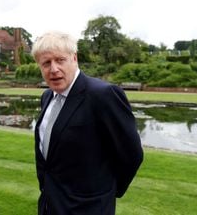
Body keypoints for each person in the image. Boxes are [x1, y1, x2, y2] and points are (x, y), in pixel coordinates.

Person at [32, 31, 143, 215]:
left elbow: (132, 154)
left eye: (60, 60)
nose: (53, 69)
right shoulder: (47, 97)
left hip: (89, 209)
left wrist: (106, 193)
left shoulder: (103, 95)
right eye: (46, 63)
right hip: (50, 205)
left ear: (74, 59)